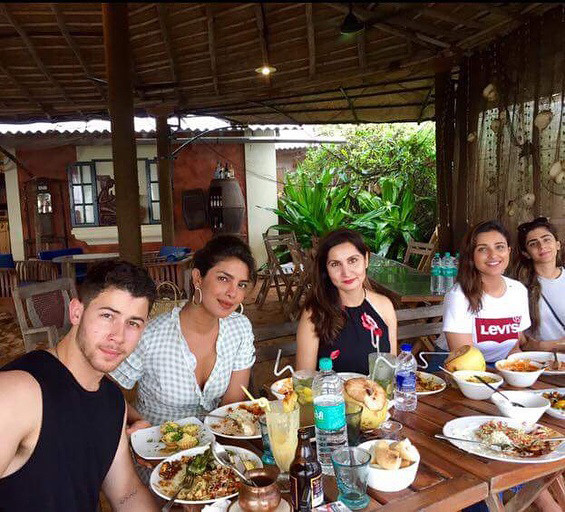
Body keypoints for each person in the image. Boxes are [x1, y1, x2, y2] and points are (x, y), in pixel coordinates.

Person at [0, 260, 159, 512]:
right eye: (107, 316)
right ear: (76, 312)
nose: (118, 336)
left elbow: (126, 494)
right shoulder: (17, 392)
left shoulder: (112, 401)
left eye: (133, 323)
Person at [111, 234, 257, 431]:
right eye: (223, 279)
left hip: (215, 444)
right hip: (156, 450)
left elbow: (232, 403)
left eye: (241, 284)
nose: (233, 293)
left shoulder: (239, 329)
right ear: (198, 278)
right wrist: (138, 422)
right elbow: (104, 386)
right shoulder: (151, 335)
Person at [296, 228, 397, 374]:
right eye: (335, 264)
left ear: (366, 260)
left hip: (377, 396)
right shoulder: (314, 313)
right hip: (331, 396)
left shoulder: (384, 306)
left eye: (353, 260)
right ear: (326, 269)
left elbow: (390, 371)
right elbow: (305, 380)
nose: (346, 272)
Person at [437, 220, 530, 363]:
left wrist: (519, 372)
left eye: (500, 247)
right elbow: (464, 359)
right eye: (483, 249)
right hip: (456, 368)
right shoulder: (459, 296)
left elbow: (513, 348)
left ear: (509, 251)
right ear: (472, 256)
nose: (493, 255)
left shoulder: (518, 291)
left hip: (500, 368)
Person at [515, 216, 565, 352]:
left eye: (546, 239)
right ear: (526, 253)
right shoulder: (517, 288)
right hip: (534, 363)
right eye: (533, 243)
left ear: (558, 244)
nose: (542, 246)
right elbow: (518, 337)